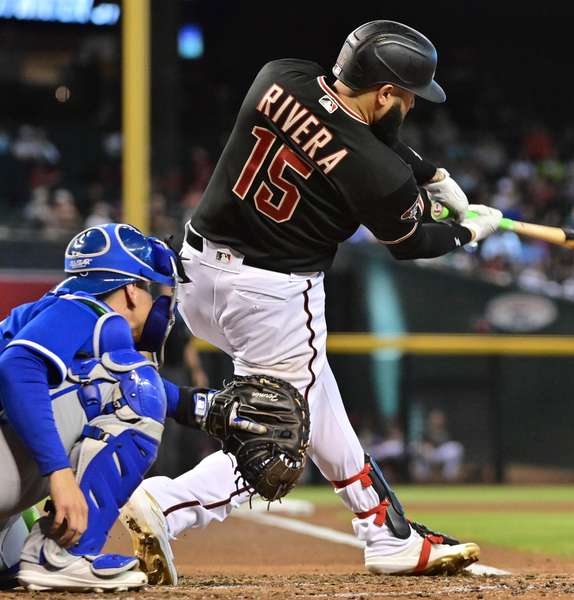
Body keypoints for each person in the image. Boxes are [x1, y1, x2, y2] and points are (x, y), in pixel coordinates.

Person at [123, 20, 499, 581]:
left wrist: (429, 174)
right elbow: (413, 241)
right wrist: (469, 229)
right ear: (386, 92)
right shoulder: (382, 176)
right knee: (277, 441)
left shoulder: (280, 76)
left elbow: (351, 130)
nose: (412, 108)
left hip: (197, 275)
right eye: (408, 98)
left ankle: (384, 532)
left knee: (316, 392)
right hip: (271, 297)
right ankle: (168, 506)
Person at [0, 223, 198, 591]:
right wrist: (59, 474)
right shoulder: (86, 310)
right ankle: (60, 558)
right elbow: (17, 367)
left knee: (9, 562)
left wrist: (203, 407)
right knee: (133, 384)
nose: (156, 303)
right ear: (130, 289)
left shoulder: (61, 310)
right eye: (150, 288)